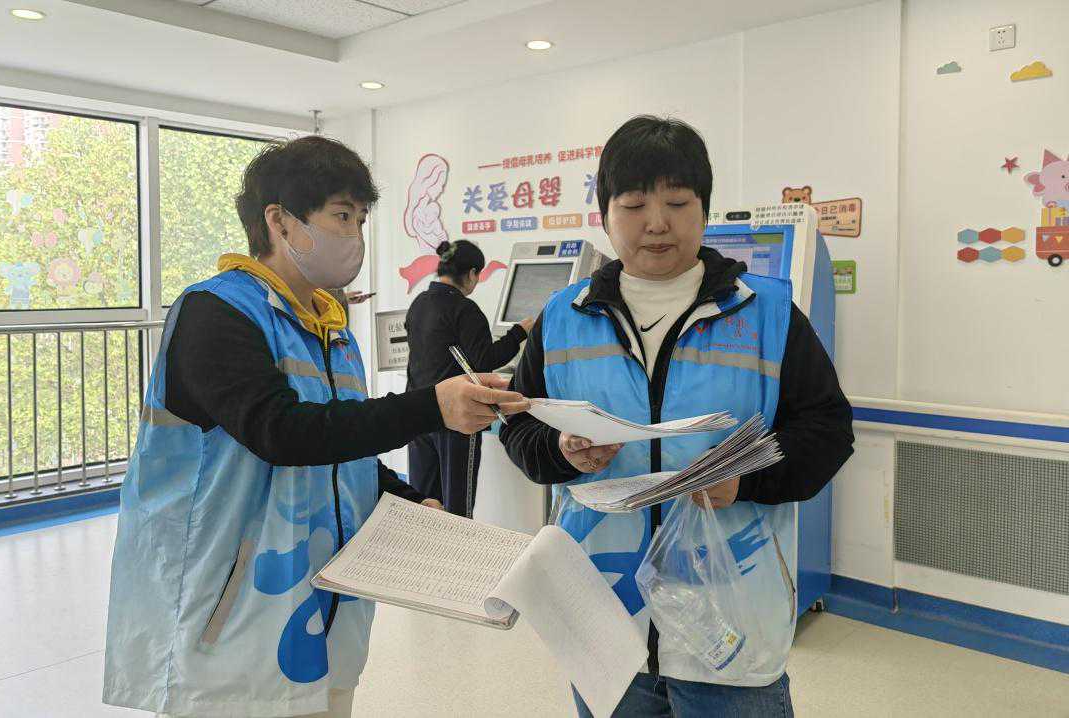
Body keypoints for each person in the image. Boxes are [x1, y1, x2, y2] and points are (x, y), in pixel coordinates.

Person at [102, 136, 528, 718]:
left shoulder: (330, 328)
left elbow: (339, 443)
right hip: (228, 618)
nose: (355, 235)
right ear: (279, 221)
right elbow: (282, 432)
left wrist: (406, 502)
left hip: (319, 610)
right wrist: (432, 407)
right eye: (341, 216)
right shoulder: (215, 311)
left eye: (361, 219)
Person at [499, 116, 854, 717]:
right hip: (603, 617)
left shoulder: (766, 312)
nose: (657, 222)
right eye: (634, 204)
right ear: (605, 215)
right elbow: (520, 427)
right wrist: (561, 451)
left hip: (732, 618)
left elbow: (827, 430)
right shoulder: (562, 317)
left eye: (677, 202)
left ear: (704, 210)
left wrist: (748, 480)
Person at [405, 239, 533, 517]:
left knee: (424, 504)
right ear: (473, 273)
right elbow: (485, 360)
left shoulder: (419, 304)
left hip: (418, 414)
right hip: (457, 421)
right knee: (457, 508)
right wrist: (520, 332)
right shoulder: (465, 309)